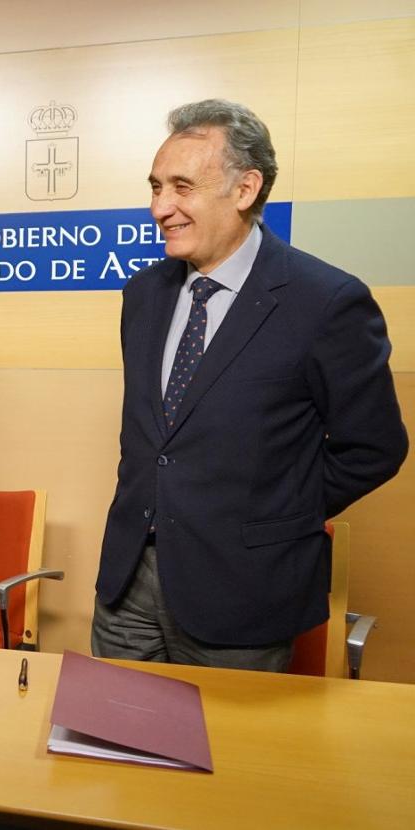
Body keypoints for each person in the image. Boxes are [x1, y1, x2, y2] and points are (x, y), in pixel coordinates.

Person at [93, 99, 407, 670]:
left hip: (242, 592)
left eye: (182, 186)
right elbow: (157, 436)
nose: (161, 207)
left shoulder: (326, 302)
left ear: (245, 189)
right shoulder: (144, 293)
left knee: (230, 757)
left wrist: (270, 511)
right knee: (113, 749)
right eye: (156, 186)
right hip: (126, 585)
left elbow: (375, 448)